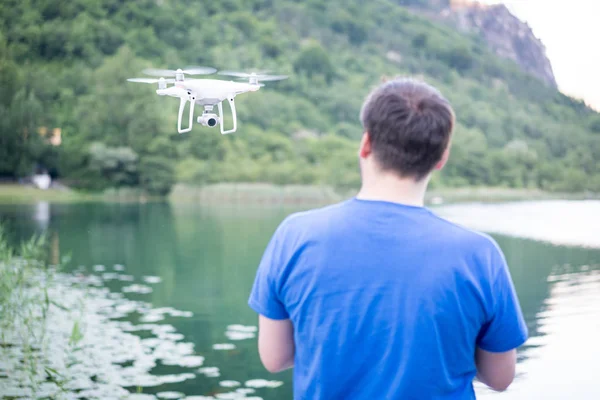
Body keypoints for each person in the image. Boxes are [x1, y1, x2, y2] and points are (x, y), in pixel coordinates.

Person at [247, 77, 528, 399]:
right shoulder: (480, 254)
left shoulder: (294, 236)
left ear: (366, 143)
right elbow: (500, 377)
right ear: (441, 158)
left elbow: (275, 357)